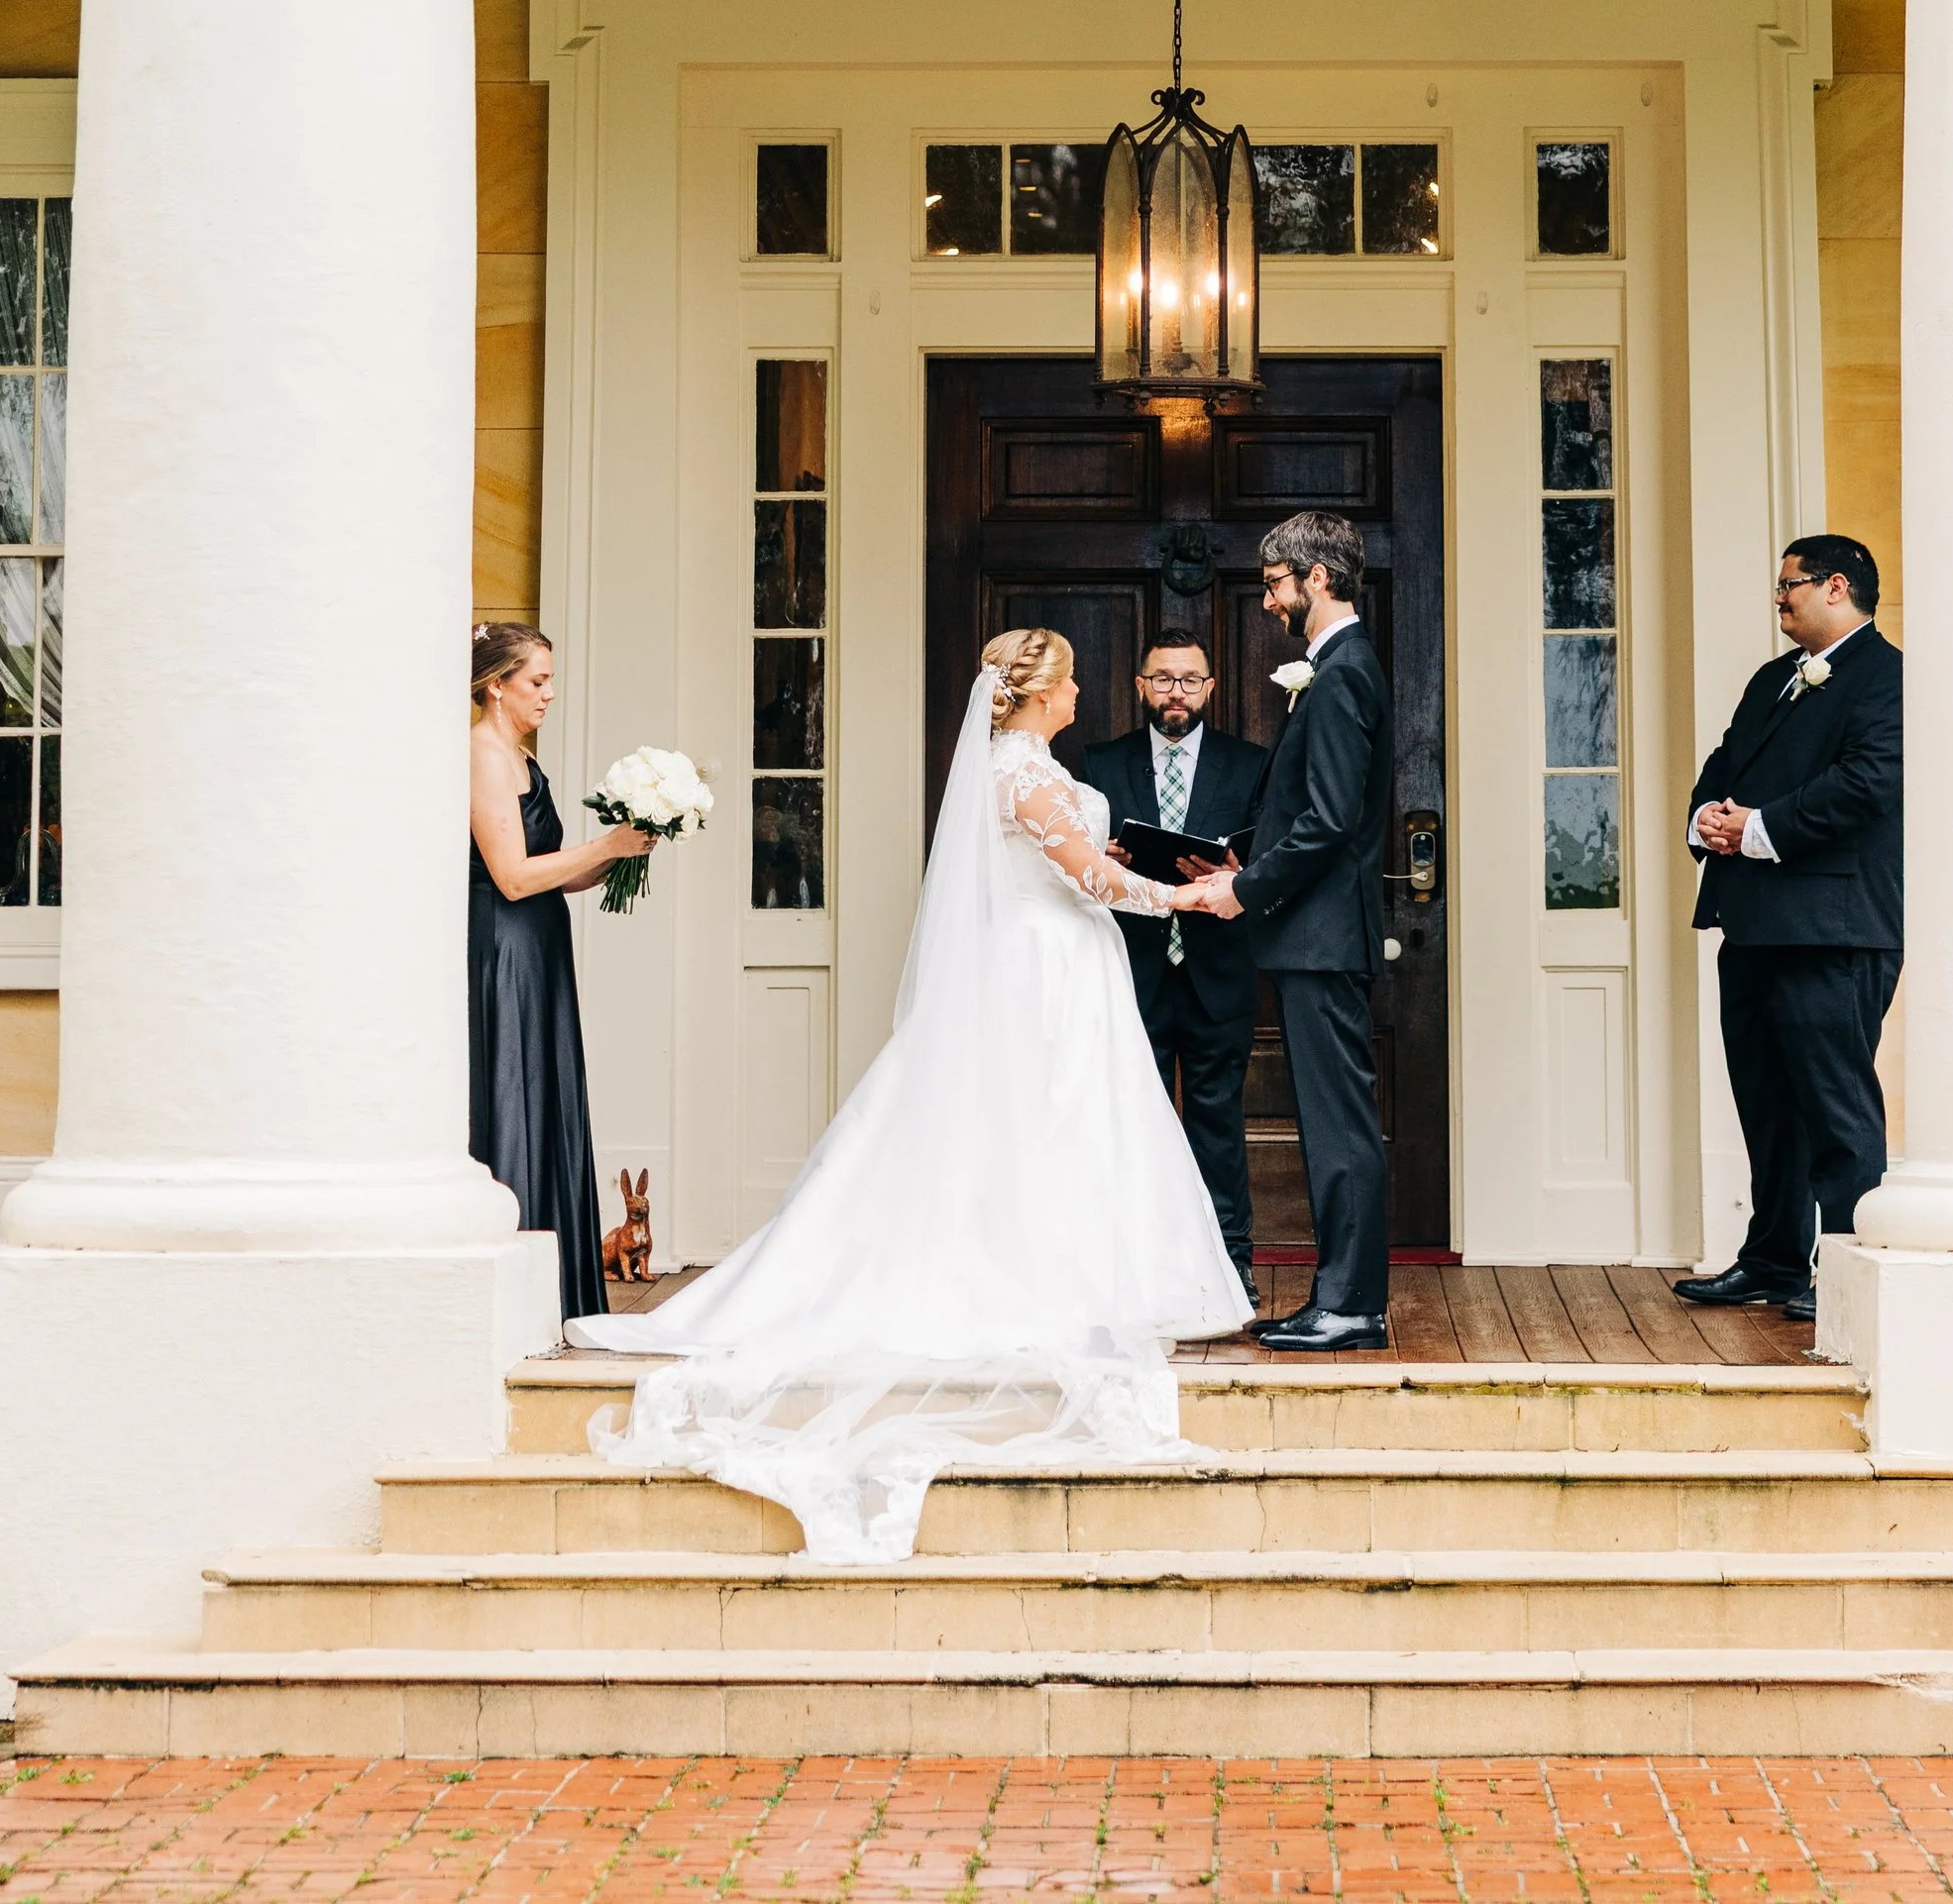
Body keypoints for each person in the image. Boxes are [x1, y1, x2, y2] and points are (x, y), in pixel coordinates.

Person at [569, 625, 1248, 1556]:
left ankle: (1060, 1267)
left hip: (1053, 960)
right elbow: (1088, 875)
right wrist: (1188, 896)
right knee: (1040, 1122)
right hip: (1039, 970)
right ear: (1041, 692)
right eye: (1075, 678)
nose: (1085, 691)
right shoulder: (1025, 775)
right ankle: (1031, 1278)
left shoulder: (1023, 767)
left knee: (1055, 1128)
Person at [1679, 535, 1903, 1326]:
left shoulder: (1888, 676)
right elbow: (1725, 760)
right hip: (1753, 923)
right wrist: (1707, 816)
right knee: (1765, 1101)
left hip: (1834, 928)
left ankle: (1840, 1267)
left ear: (1837, 586)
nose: (1779, 599)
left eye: (1790, 586)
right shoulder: (1773, 679)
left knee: (1834, 1106)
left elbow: (1869, 782)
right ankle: (1773, 1258)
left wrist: (1762, 828)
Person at [1183, 511, 1392, 1354]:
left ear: (1319, 577)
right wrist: (1238, 858)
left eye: (1275, 582)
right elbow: (1306, 811)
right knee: (1331, 1119)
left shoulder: (1341, 673)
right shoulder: (1336, 668)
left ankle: (1350, 1304)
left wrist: (1246, 891)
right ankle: (1343, 1298)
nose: (1269, 601)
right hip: (1312, 931)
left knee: (1339, 1124)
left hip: (1321, 933)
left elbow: (1334, 820)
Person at [468, 622, 653, 1322]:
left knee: (546, 1094)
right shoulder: (482, 756)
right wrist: (603, 841)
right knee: (514, 1091)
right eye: (536, 680)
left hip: (541, 947)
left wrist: (626, 849)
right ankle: (518, 1295)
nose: (549, 693)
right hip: (504, 949)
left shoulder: (519, 757)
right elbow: (513, 878)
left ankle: (558, 1292)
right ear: (497, 685)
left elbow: (556, 878)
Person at [1084, 630, 1272, 1300]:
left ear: (1211, 687)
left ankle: (1231, 1266)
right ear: (1140, 686)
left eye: (1190, 680)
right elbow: (1076, 855)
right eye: (1163, 679)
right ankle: (1138, 1267)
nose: (1176, 693)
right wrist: (1105, 856)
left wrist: (1237, 869)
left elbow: (1268, 856)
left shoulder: (1250, 763)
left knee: (1217, 1117)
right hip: (1130, 966)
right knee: (1136, 1121)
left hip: (1217, 965)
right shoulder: (1098, 763)